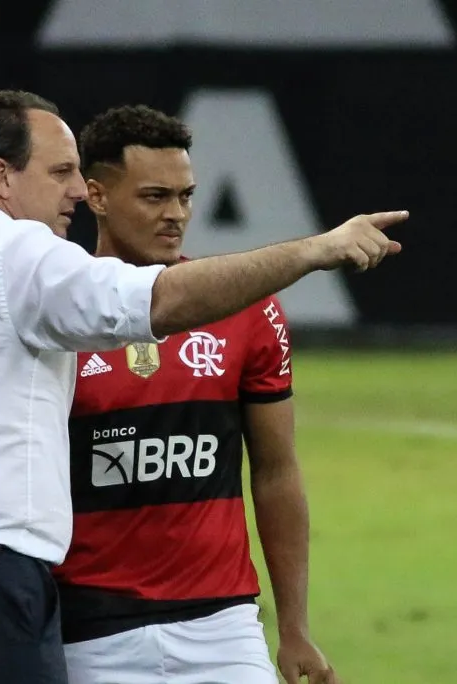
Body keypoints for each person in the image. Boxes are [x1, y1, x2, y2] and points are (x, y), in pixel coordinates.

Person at [0, 89, 407, 684]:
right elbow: (158, 298)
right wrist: (312, 250)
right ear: (0, 176)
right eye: (60, 172)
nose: (76, 191)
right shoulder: (22, 255)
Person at [54, 105, 342, 684]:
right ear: (97, 196)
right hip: (87, 631)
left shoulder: (249, 309)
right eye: (155, 196)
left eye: (186, 196)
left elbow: (277, 471)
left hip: (224, 628)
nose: (176, 215)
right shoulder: (55, 313)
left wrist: (294, 628)